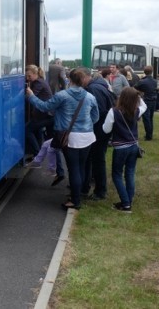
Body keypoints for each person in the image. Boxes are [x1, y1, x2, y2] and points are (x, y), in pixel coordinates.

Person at [27, 68, 99, 210]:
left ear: (69, 79)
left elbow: (44, 106)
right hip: (87, 136)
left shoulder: (62, 96)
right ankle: (80, 193)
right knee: (82, 166)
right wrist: (86, 125)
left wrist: (30, 96)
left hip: (69, 137)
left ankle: (75, 200)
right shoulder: (90, 97)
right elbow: (95, 117)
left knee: (73, 169)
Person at [102, 87, 147, 213]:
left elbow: (106, 130)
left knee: (117, 174)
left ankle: (126, 203)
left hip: (120, 147)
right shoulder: (136, 110)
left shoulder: (114, 112)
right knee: (130, 173)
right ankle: (129, 199)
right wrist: (138, 97)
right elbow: (145, 106)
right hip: (133, 146)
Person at [81, 69, 116, 200]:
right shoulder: (99, 86)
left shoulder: (93, 89)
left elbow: (99, 112)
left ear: (85, 77)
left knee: (97, 160)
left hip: (98, 131)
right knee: (93, 158)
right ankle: (86, 186)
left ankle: (100, 191)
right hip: (101, 129)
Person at [25, 64, 53, 156]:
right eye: (27, 76)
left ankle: (38, 154)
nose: (28, 78)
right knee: (38, 131)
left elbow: (29, 97)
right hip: (47, 114)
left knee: (27, 130)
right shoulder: (41, 81)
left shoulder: (38, 83)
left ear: (35, 74)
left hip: (44, 115)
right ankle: (39, 152)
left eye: (29, 76)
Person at [134, 65, 157, 141]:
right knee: (150, 118)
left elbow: (135, 88)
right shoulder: (154, 81)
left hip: (146, 100)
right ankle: (150, 134)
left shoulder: (142, 81)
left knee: (146, 119)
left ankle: (148, 136)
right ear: (152, 72)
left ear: (144, 72)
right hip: (153, 101)